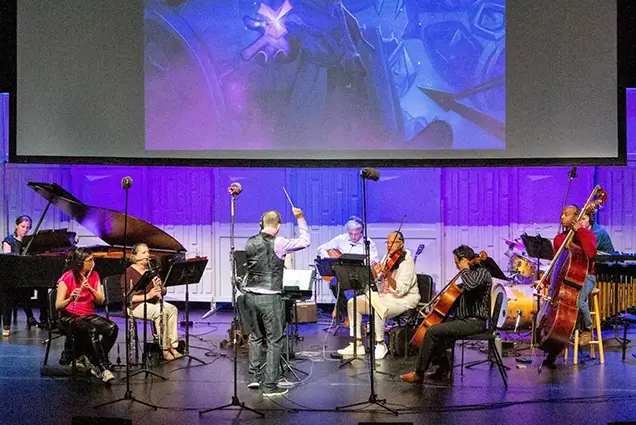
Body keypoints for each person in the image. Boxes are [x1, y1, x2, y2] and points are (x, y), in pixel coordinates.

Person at [400, 245, 492, 384]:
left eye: (457, 263)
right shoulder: (470, 275)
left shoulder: (482, 273)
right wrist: (443, 299)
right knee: (437, 328)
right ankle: (443, 368)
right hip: (464, 320)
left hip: (475, 322)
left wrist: (465, 269)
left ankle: (419, 373)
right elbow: (462, 296)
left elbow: (471, 285)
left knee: (432, 331)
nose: (456, 267)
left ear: (465, 260)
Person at [244, 208, 310, 396]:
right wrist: (300, 218)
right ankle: (270, 385)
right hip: (269, 296)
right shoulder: (279, 243)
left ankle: (254, 378)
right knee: (274, 340)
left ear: (262, 223)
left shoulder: (250, 241)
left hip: (250, 296)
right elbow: (305, 241)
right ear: (278, 226)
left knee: (256, 337)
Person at [336, 231, 419, 360]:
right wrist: (376, 274)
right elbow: (378, 283)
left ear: (401, 243)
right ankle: (357, 344)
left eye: (393, 242)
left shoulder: (407, 261)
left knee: (378, 305)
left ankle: (381, 344)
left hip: (403, 300)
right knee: (353, 303)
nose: (389, 245)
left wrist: (388, 276)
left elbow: (401, 290)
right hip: (385, 296)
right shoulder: (388, 257)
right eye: (388, 242)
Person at [55, 247, 118, 383]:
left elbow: (101, 300)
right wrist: (70, 298)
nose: (92, 262)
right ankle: (102, 368)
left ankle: (93, 359)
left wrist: (90, 288)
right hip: (69, 316)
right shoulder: (67, 277)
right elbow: (58, 305)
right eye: (89, 260)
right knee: (91, 330)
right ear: (80, 262)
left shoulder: (94, 275)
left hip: (88, 314)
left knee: (112, 328)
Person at [122, 243, 182, 361]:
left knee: (172, 309)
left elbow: (163, 292)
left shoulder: (151, 270)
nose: (147, 255)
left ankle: (173, 346)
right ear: (135, 256)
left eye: (148, 252)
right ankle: (164, 349)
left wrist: (160, 287)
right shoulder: (129, 272)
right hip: (135, 305)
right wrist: (149, 295)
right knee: (160, 313)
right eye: (143, 253)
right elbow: (127, 298)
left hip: (152, 302)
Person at [316, 216, 379, 325]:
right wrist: (330, 259)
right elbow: (321, 248)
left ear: (361, 231)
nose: (353, 236)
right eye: (351, 234)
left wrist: (370, 262)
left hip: (359, 275)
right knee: (334, 285)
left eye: (356, 234)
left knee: (358, 288)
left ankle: (344, 309)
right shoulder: (341, 239)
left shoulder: (369, 243)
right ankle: (346, 311)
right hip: (343, 274)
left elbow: (375, 260)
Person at [1, 215, 48, 335]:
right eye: (22, 227)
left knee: (43, 288)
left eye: (27, 227)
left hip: (29, 275)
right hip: (14, 276)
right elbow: (8, 261)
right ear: (17, 226)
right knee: (17, 291)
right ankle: (13, 322)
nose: (25, 230)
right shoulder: (9, 240)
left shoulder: (32, 242)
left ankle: (44, 320)